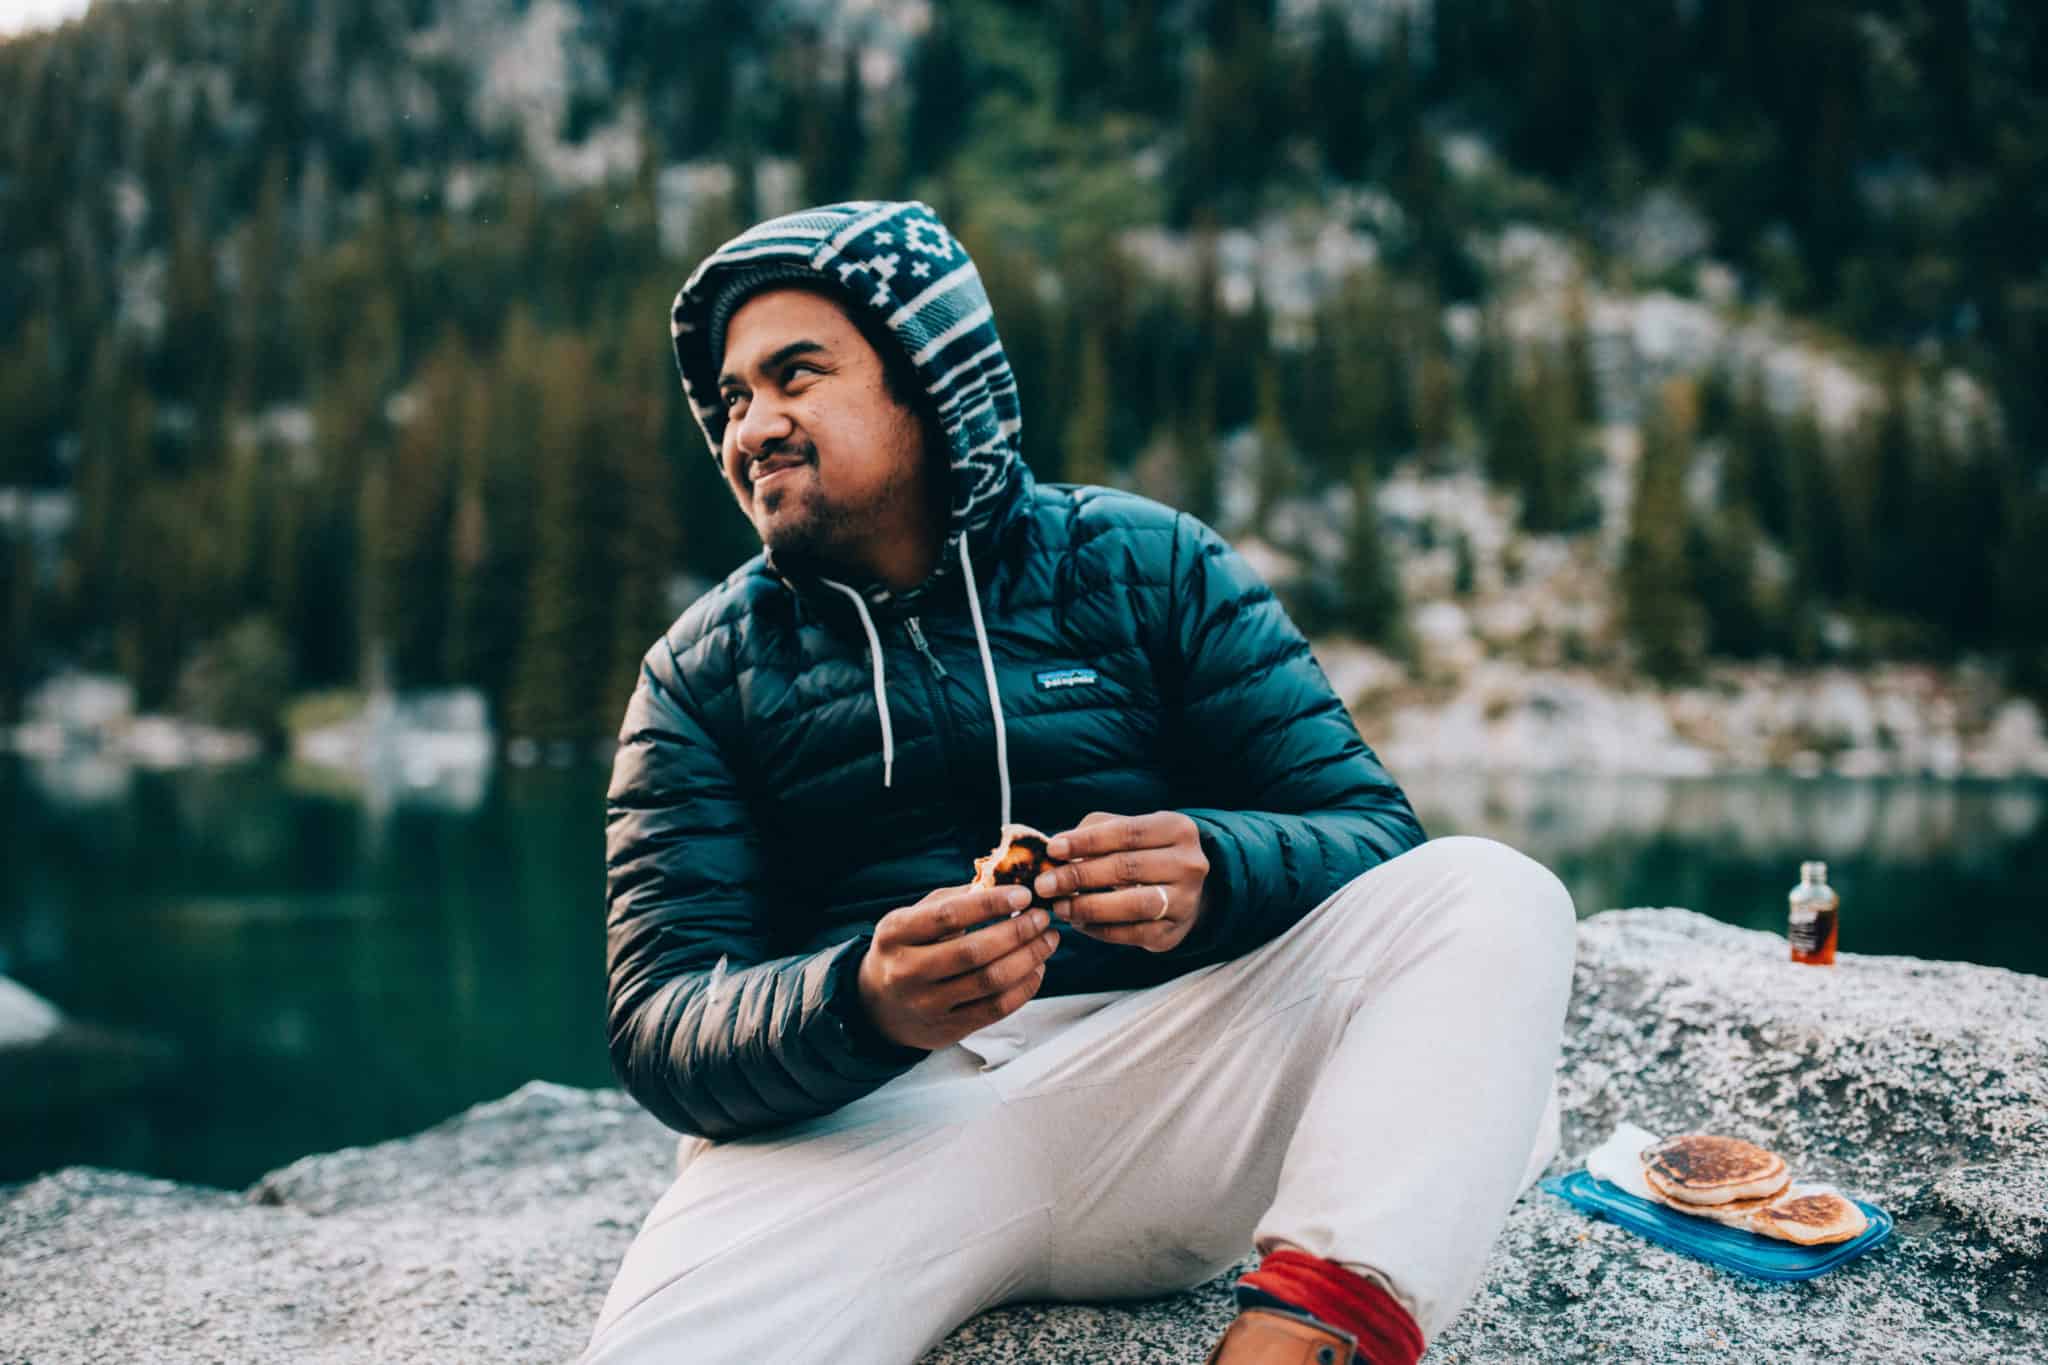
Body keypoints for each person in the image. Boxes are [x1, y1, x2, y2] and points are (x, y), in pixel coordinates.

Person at [586, 200, 1575, 1365]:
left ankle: (1304, 1336)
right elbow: (660, 1020)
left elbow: (1372, 839)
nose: (752, 426)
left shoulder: (1148, 564)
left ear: (928, 375)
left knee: (1490, 893)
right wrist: (861, 999)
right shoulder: (700, 675)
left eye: (795, 375)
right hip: (869, 1132)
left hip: (1173, 1087)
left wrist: (1213, 871)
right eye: (733, 400)